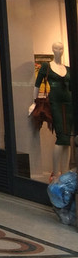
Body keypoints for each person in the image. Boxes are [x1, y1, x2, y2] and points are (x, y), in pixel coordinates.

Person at [30, 41, 72, 181]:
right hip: (55, 103)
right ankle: (55, 173)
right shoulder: (46, 67)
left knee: (67, 138)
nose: (59, 50)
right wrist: (34, 102)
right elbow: (37, 84)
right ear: (52, 50)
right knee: (61, 136)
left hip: (69, 103)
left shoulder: (68, 69)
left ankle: (65, 172)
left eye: (61, 48)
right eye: (56, 48)